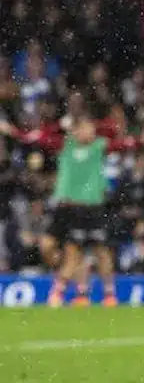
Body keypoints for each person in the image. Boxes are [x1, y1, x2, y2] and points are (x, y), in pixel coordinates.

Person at [2, 101, 134, 306]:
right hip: (67, 208)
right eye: (85, 128)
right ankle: (75, 290)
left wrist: (140, 140)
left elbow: (118, 135)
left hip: (93, 208)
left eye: (91, 128)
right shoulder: (65, 144)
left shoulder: (99, 146)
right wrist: (56, 126)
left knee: (101, 252)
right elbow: (37, 137)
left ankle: (106, 295)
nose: (89, 132)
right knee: (66, 251)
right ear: (75, 130)